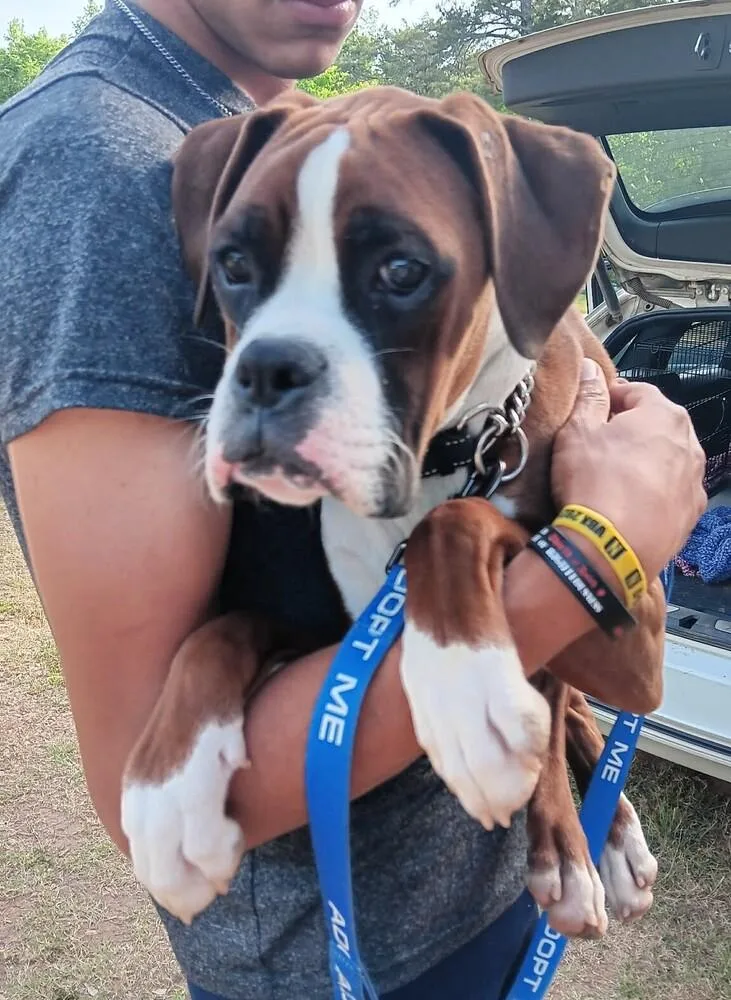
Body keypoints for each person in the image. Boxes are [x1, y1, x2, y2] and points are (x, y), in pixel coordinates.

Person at [0, 1, 706, 998]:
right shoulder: (96, 158)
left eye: (399, 273)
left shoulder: (295, 123)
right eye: (240, 273)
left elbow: (302, 587)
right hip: (343, 943)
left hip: (470, 877)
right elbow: (146, 769)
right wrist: (608, 535)